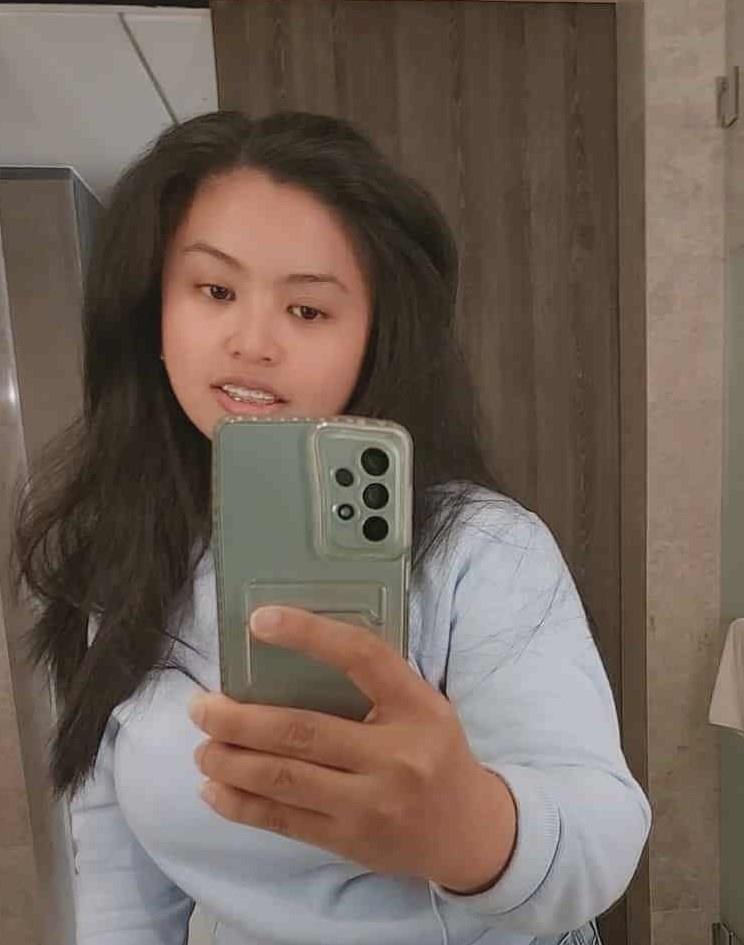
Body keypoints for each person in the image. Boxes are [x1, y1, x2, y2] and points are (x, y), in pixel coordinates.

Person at [12, 110, 651, 945]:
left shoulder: (484, 549)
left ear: (373, 338)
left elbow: (601, 831)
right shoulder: (125, 554)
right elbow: (117, 876)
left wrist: (470, 827)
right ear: (152, 314)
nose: (252, 342)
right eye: (215, 291)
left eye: (308, 310)